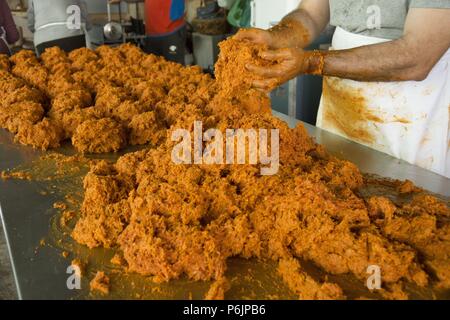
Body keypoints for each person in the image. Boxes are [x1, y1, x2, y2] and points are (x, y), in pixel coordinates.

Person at [236, 0, 450, 178]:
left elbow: (417, 56)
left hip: (411, 103)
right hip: (340, 91)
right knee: (335, 180)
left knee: (404, 194)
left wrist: (311, 63)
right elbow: (310, 15)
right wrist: (275, 37)